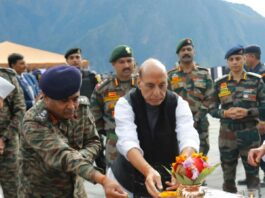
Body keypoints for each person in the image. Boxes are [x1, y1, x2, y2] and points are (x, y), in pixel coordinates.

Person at [18, 65, 128, 198]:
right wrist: (103, 179)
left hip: (76, 191)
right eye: (64, 101)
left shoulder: (81, 107)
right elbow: (63, 155)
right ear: (46, 98)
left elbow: (94, 142)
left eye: (75, 98)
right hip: (42, 192)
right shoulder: (34, 122)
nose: (71, 106)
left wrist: (79, 158)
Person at [109, 58, 199, 197]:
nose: (157, 93)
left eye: (162, 85)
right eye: (150, 86)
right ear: (139, 82)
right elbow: (128, 142)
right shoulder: (125, 104)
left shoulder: (178, 103)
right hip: (127, 182)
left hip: (167, 182)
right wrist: (148, 170)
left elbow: (188, 136)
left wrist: (182, 163)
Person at [209, 45, 265, 193]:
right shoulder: (220, 84)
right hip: (227, 136)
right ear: (228, 62)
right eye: (231, 59)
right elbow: (211, 109)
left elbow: (264, 107)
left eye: (238, 58)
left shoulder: (256, 81)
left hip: (250, 135)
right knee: (228, 178)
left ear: (244, 59)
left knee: (253, 176)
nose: (235, 62)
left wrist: (248, 112)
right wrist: (225, 114)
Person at [90, 45, 137, 170]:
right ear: (113, 64)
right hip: (114, 146)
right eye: (121, 62)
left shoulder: (144, 85)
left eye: (129, 61)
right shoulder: (103, 88)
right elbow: (95, 118)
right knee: (115, 183)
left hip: (142, 142)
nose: (126, 65)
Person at [168, 38, 214, 156]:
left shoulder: (204, 74)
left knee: (200, 158)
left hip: (200, 124)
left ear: (194, 52)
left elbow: (210, 98)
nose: (186, 52)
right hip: (178, 124)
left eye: (189, 49)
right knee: (180, 159)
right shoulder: (171, 76)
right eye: (183, 50)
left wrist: (197, 118)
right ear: (178, 54)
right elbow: (167, 99)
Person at [238, 45, 265, 186]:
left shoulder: (263, 73)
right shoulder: (249, 72)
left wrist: (263, 121)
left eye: (245, 56)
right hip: (251, 118)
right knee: (251, 147)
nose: (243, 59)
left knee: (262, 147)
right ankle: (251, 176)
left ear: (252, 57)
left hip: (261, 119)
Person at [0, 67, 26, 198]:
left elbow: (20, 110)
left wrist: (4, 139)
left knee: (13, 191)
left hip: (8, 147)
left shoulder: (7, 77)